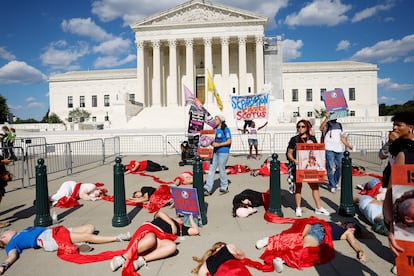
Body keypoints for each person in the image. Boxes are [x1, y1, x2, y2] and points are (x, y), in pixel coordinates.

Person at [0, 224, 131, 274]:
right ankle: (117, 237)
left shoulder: (22, 230)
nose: (12, 229)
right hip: (48, 239)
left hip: (55, 231)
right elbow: (12, 255)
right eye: (8, 231)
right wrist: (4, 265)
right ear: (4, 237)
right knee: (87, 235)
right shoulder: (12, 243)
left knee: (90, 227)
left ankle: (77, 244)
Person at [255, 217, 366, 272]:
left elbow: (354, 242)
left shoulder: (347, 233)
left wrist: (359, 251)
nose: (351, 227)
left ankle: (281, 259)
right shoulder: (338, 223)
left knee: (303, 247)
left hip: (320, 234)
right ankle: (269, 240)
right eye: (352, 224)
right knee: (294, 236)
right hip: (314, 225)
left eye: (354, 229)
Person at [109, 210, 199, 273]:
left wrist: (191, 218)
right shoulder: (166, 218)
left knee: (172, 246)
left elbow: (195, 231)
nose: (181, 219)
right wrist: (172, 223)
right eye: (180, 217)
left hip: (159, 238)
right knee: (151, 239)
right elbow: (159, 213)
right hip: (149, 230)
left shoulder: (181, 229)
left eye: (183, 219)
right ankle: (123, 258)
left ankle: (141, 260)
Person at [286, 119, 330, 217]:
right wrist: (294, 160)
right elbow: (289, 153)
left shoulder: (312, 138)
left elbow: (317, 151)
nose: (300, 128)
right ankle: (298, 208)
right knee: (298, 187)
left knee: (314, 186)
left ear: (307, 128)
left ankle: (319, 207)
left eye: (303, 126)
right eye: (298, 126)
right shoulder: (294, 139)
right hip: (298, 167)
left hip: (311, 167)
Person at [319, 112, 353, 193]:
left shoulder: (339, 125)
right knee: (329, 167)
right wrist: (326, 118)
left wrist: (348, 145)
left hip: (338, 149)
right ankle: (332, 185)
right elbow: (321, 128)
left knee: (340, 166)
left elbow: (342, 137)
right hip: (328, 148)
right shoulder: (327, 124)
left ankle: (335, 182)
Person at [378, 111, 414, 188]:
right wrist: (389, 142)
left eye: (399, 125)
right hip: (391, 180)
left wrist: (398, 142)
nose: (394, 128)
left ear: (410, 127)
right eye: (394, 125)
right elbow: (382, 155)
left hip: (405, 184)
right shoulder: (393, 140)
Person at [204, 115, 232, 196]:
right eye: (215, 119)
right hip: (215, 151)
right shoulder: (214, 130)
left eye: (217, 119)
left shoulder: (225, 130)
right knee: (211, 169)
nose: (215, 121)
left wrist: (219, 144)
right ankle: (208, 188)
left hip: (223, 151)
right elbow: (211, 141)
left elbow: (229, 141)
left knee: (221, 168)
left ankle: (224, 186)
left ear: (221, 120)